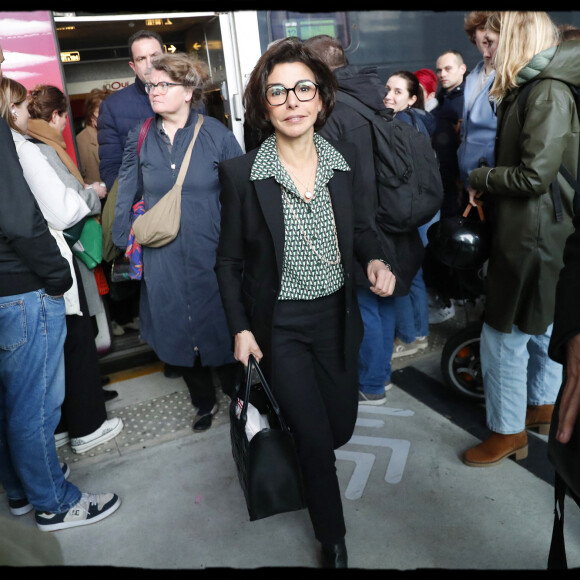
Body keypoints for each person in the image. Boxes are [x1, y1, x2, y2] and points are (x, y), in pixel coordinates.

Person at [215, 37, 395, 568]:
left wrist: (376, 261)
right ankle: (333, 540)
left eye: (302, 89)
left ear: (320, 99)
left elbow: (362, 230)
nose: (292, 100)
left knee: (337, 427)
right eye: (278, 92)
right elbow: (226, 263)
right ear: (263, 106)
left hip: (337, 318)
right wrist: (241, 328)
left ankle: (308, 447)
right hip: (282, 326)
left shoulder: (343, 164)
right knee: (317, 441)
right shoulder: (241, 176)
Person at [462, 11, 579, 467]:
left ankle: (508, 431)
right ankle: (542, 407)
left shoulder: (546, 89)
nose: (486, 51)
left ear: (515, 38)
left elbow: (534, 176)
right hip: (539, 229)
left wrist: (482, 176)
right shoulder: (540, 84)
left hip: (533, 232)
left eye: (492, 41)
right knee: (542, 324)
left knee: (501, 337)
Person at [0, 115, 120, 532]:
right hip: (20, 284)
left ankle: (21, 490)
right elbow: (24, 217)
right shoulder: (8, 140)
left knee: (8, 402)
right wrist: (56, 274)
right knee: (32, 406)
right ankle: (53, 502)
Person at [113, 52, 243, 432]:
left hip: (212, 250)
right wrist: (123, 238)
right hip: (162, 256)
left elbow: (240, 197)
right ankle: (203, 403)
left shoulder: (217, 135)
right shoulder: (140, 136)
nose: (154, 91)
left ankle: (239, 397)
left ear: (188, 91)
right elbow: (126, 191)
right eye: (151, 85)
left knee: (221, 324)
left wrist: (242, 249)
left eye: (164, 85)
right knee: (176, 329)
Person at [304, 35, 405, 404]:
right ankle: (382, 374)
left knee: (364, 304)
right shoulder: (372, 94)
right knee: (383, 297)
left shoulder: (332, 110)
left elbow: (335, 176)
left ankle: (373, 382)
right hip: (389, 212)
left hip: (360, 218)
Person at [97, 29, 184, 377]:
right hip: (147, 215)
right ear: (132, 66)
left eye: (155, 55)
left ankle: (205, 353)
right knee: (159, 292)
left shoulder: (185, 93)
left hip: (190, 208)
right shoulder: (115, 108)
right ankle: (174, 357)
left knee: (195, 284)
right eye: (143, 59)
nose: (151, 65)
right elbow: (114, 170)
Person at [383, 71, 436, 360]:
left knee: (403, 274)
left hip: (409, 211)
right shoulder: (419, 120)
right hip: (425, 210)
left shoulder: (399, 125)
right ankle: (419, 334)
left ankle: (408, 336)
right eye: (388, 89)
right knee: (414, 275)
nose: (389, 95)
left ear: (412, 98)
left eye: (398, 92)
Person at [428, 50, 467, 324]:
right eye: (439, 70)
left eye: (448, 68)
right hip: (444, 180)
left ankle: (458, 297)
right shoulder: (443, 99)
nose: (442, 74)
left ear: (462, 69)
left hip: (457, 183)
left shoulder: (464, 101)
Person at [457, 11, 497, 209]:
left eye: (492, 28)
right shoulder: (473, 75)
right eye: (482, 28)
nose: (487, 35)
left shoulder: (505, 78)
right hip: (469, 179)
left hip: (490, 181)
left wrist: (484, 178)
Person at [76, 86, 113, 190]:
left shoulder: (117, 133)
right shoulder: (82, 140)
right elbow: (78, 179)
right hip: (99, 200)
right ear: (91, 115)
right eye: (100, 112)